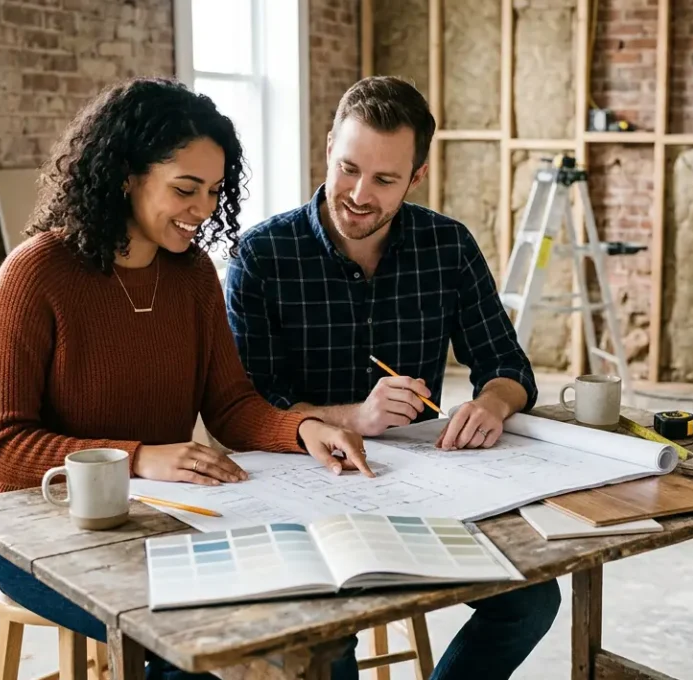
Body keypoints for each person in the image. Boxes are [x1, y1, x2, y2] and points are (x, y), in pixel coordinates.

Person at [0, 77, 369, 680]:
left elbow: (231, 404)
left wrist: (303, 428)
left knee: (320, 632)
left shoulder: (192, 278)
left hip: (160, 517)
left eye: (214, 191)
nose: (204, 209)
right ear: (126, 175)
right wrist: (138, 458)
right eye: (186, 188)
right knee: (188, 649)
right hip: (43, 534)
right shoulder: (35, 274)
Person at [225, 76, 560, 680]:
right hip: (301, 492)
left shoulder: (447, 246)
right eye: (347, 167)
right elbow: (248, 404)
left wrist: (492, 405)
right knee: (327, 640)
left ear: (416, 177)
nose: (357, 194)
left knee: (532, 600)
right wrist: (354, 417)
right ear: (328, 146)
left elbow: (508, 368)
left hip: (420, 490)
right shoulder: (261, 255)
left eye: (383, 180)